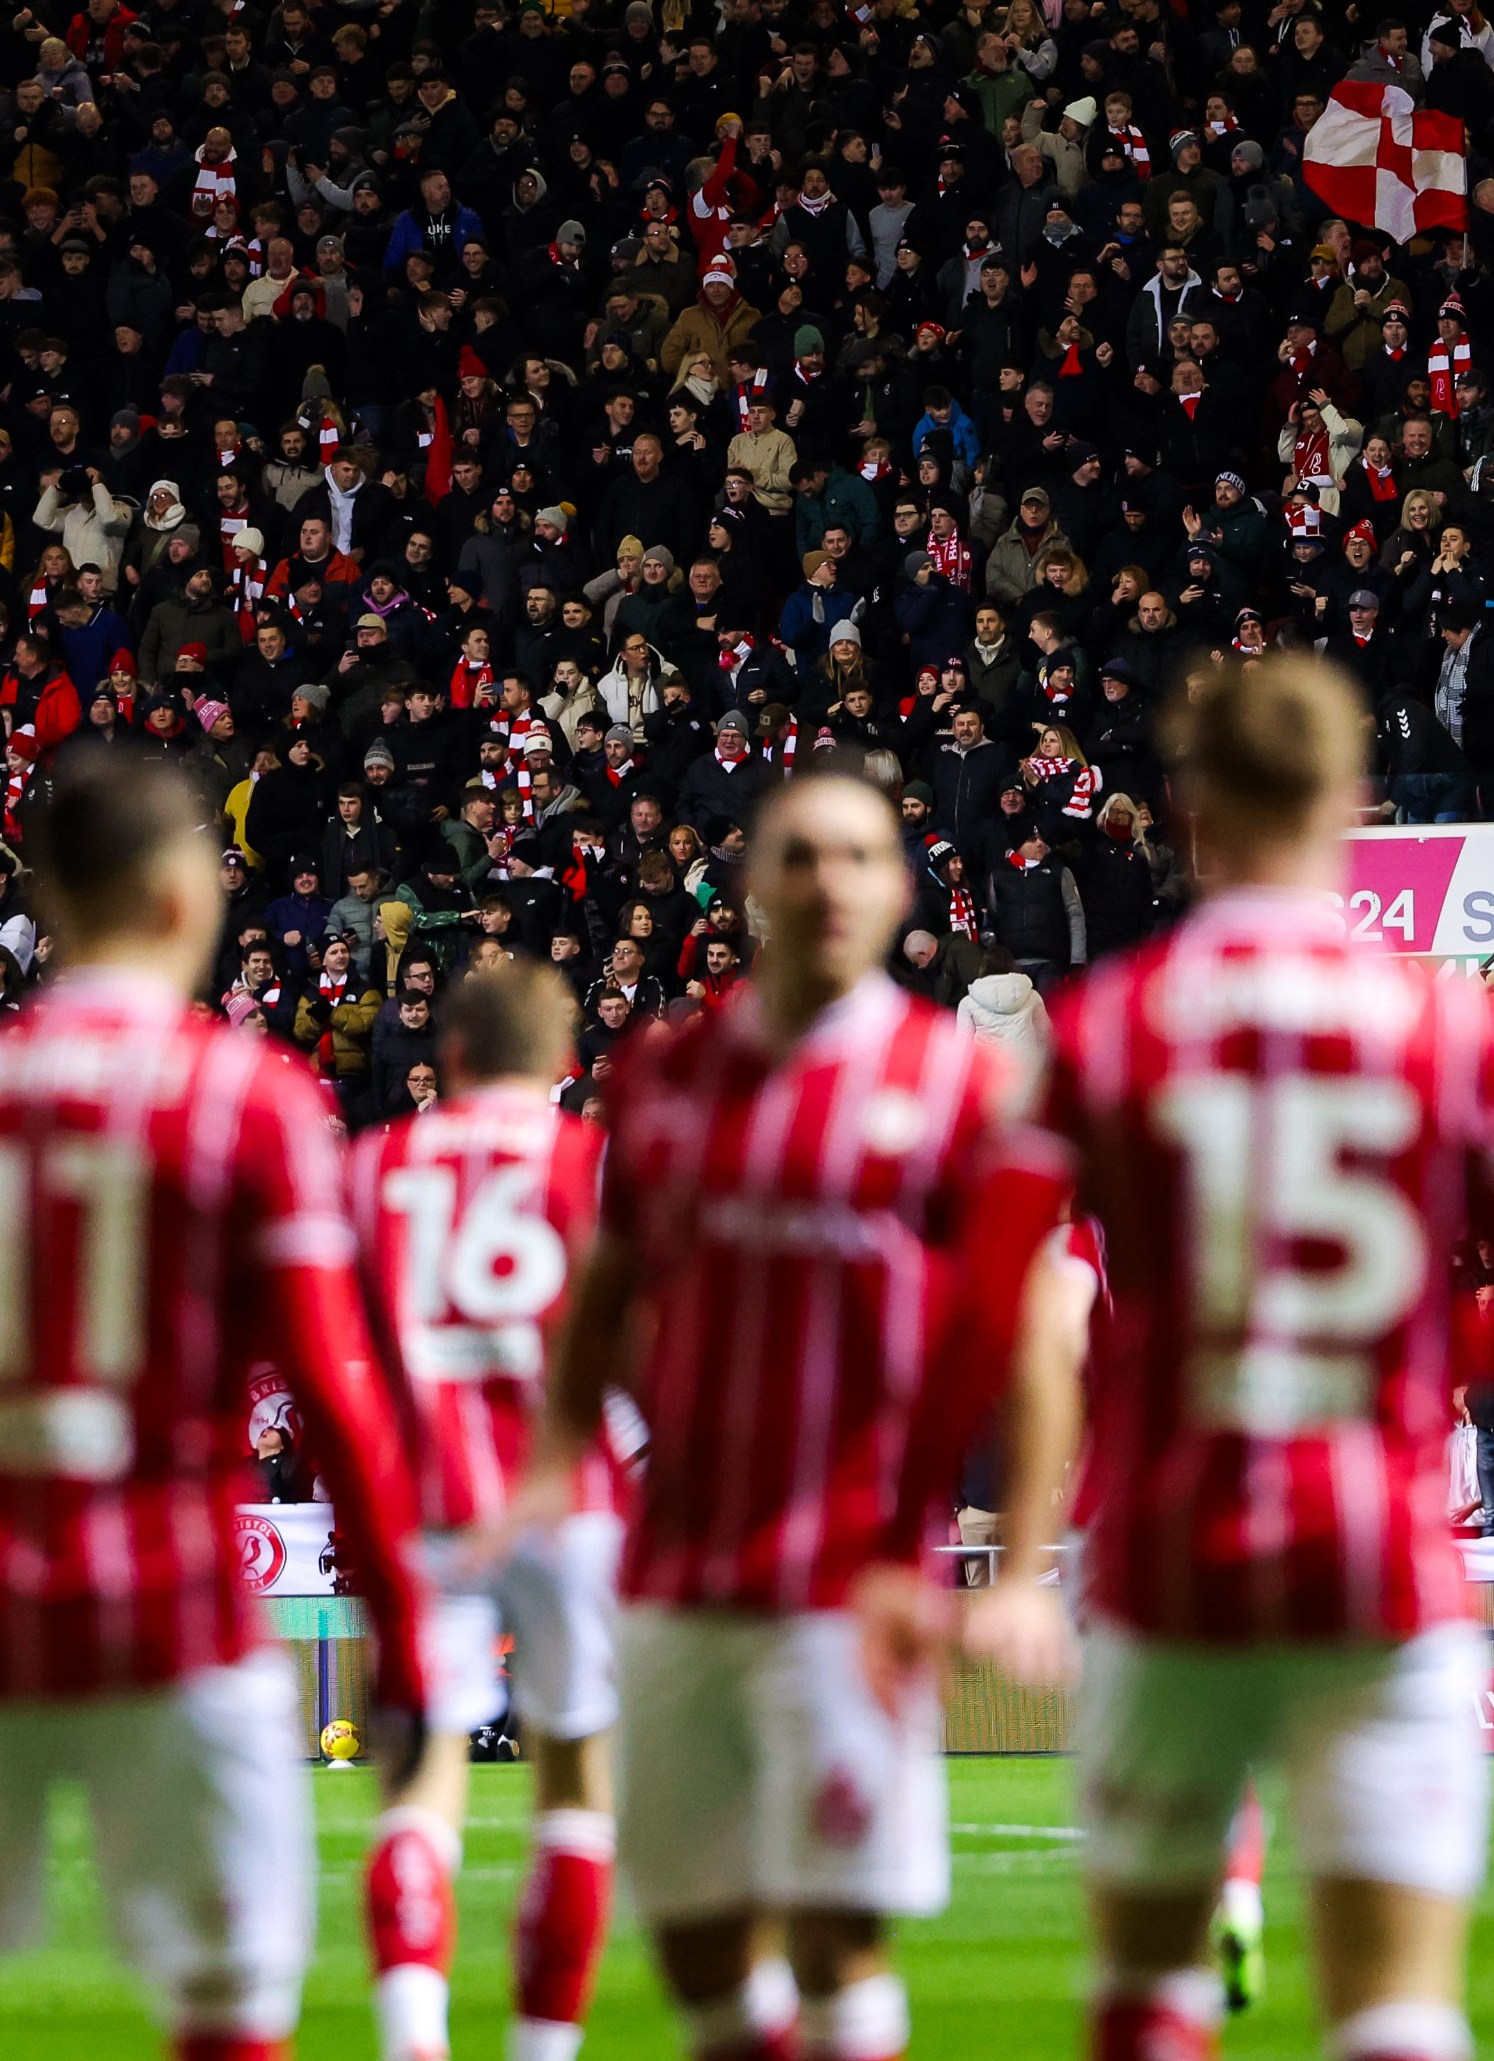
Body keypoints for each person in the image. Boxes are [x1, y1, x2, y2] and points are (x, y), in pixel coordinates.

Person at [956, 654, 1494, 2061]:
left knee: (1149, 1998)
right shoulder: (1454, 1028)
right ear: (1350, 806)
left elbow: (994, 1289)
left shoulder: (1107, 1030)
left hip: (1164, 1553)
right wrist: (1410, 1350)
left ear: (1189, 817)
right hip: (1378, 1561)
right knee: (1399, 2011)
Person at [0, 748, 437, 2061]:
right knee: (227, 2012)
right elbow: (335, 1393)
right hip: (175, 1602)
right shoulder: (251, 1099)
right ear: (177, 893)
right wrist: (406, 1639)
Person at [526, 768, 1059, 2061]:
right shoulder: (668, 1075)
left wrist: (1026, 1566)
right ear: (757, 885)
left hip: (851, 1581)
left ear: (898, 886)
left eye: (860, 855)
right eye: (802, 856)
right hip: (677, 1571)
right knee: (698, 1937)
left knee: (837, 1933)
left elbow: (1032, 1335)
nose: (830, 881)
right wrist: (555, 1455)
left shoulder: (956, 1087)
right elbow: (608, 1282)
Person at [346, 960, 619, 2061]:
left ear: (445, 1060)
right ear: (562, 1063)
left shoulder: (373, 1166)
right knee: (575, 1783)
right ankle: (540, 2050)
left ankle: (415, 2035)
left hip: (423, 1500)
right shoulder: (596, 1165)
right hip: (568, 1502)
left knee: (418, 1778)